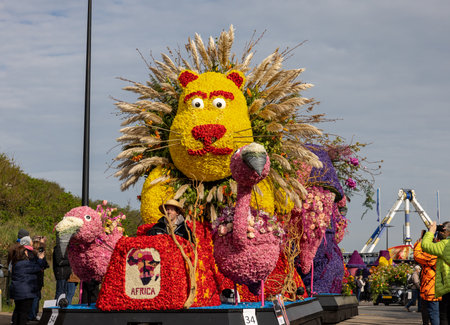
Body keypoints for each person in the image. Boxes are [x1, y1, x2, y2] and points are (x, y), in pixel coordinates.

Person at [9, 236, 47, 325]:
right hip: (25, 294)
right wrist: (40, 258)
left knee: (18, 312)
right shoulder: (25, 264)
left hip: (18, 293)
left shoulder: (17, 263)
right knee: (23, 315)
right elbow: (39, 268)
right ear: (24, 253)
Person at [421, 221, 450, 325]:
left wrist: (431, 231)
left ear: (445, 231)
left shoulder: (445, 245)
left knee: (444, 315)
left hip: (446, 286)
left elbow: (425, 245)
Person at [414, 232, 441, 325]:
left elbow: (417, 255)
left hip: (431, 290)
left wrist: (420, 243)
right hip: (433, 289)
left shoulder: (433, 256)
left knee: (433, 314)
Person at [28, 236, 49, 321]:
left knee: (36, 297)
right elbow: (40, 266)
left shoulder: (35, 255)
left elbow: (45, 265)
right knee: (35, 297)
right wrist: (41, 260)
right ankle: (32, 314)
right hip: (35, 279)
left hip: (37, 279)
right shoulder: (34, 256)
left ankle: (33, 314)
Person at [52, 234, 75, 303]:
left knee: (65, 293)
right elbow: (59, 262)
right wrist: (70, 261)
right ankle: (55, 309)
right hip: (61, 274)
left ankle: (62, 308)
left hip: (66, 273)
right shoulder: (58, 248)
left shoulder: (66, 248)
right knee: (60, 293)